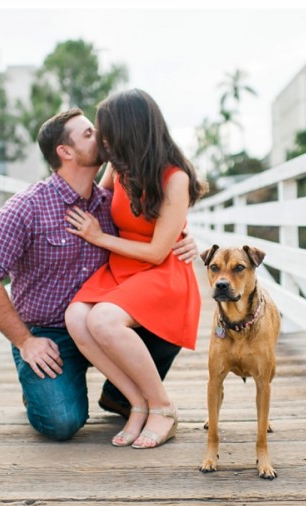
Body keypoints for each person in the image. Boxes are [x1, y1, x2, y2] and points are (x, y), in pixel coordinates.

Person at [0, 107, 197, 442]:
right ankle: (39, 387)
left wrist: (183, 238)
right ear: (66, 152)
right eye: (89, 134)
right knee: (62, 423)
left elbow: (152, 222)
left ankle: (124, 398)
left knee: (162, 316)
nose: (101, 136)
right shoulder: (26, 207)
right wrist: (25, 341)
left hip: (101, 320)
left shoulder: (108, 203)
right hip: (49, 334)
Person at [64, 89, 204, 449]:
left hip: (160, 270)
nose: (104, 141)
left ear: (130, 131)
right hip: (123, 265)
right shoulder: (120, 168)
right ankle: (137, 403)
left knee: (103, 320)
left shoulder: (175, 178)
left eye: (108, 132)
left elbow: (158, 252)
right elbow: (94, 201)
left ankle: (163, 406)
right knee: (77, 316)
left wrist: (99, 238)